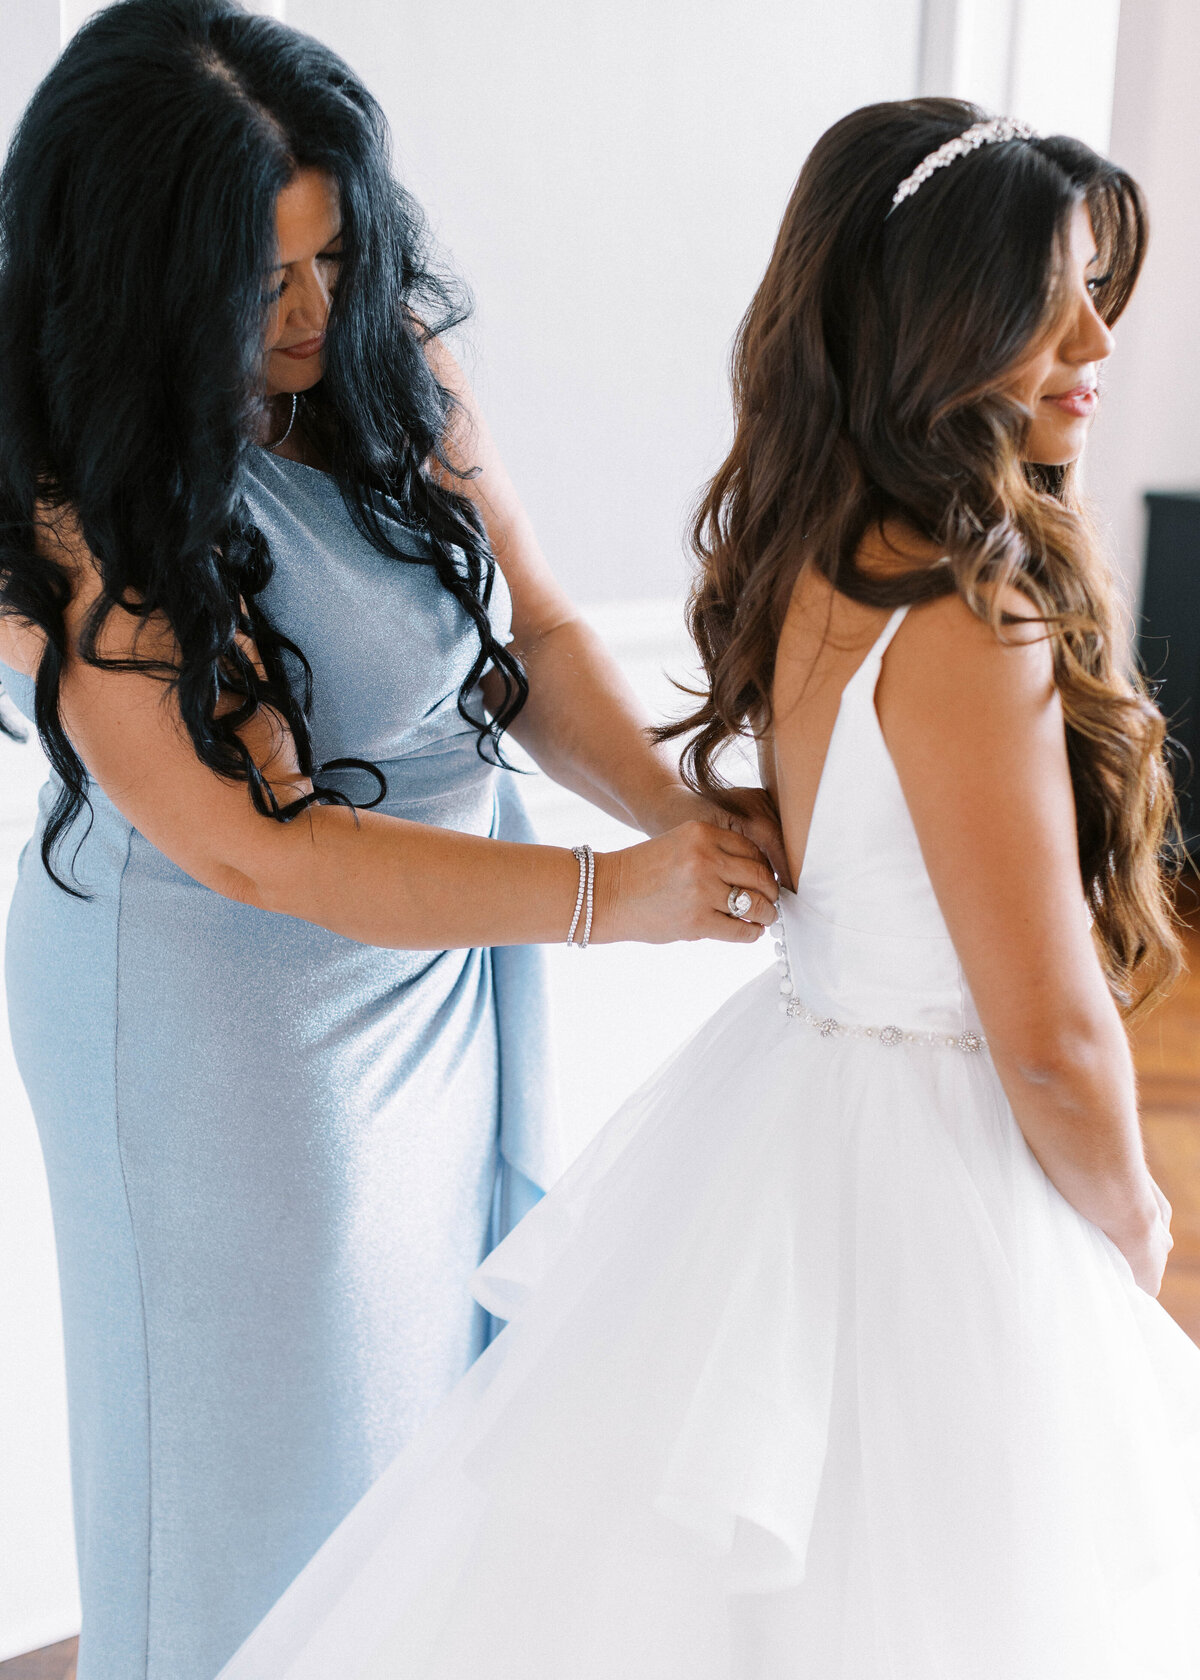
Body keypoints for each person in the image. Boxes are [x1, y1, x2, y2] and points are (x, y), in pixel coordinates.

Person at [214, 100, 1200, 1680]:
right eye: (1051, 294)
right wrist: (1134, 1219)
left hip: (793, 1109)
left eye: (1098, 288)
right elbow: (1051, 1035)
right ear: (939, 317)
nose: (1097, 336)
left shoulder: (824, 549)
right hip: (934, 1170)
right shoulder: (971, 611)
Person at [0, 3, 785, 1678]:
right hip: (222, 1023)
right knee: (258, 1490)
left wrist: (686, 821)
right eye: (256, 282)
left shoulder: (386, 358)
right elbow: (255, 853)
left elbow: (539, 644)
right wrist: (613, 899)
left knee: (433, 1452)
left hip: (447, 970)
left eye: (335, 256)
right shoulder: (63, 495)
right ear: (136, 275)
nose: (311, 312)